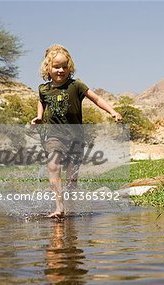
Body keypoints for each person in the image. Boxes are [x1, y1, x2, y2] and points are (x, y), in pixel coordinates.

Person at [31, 44, 122, 218]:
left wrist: (112, 111)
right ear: (48, 68)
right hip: (52, 135)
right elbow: (41, 101)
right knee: (53, 166)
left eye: (64, 66)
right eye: (56, 67)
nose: (61, 70)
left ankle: (71, 207)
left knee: (72, 177)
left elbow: (96, 98)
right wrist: (39, 117)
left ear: (69, 67)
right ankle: (59, 207)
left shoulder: (76, 85)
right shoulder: (44, 89)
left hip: (75, 137)